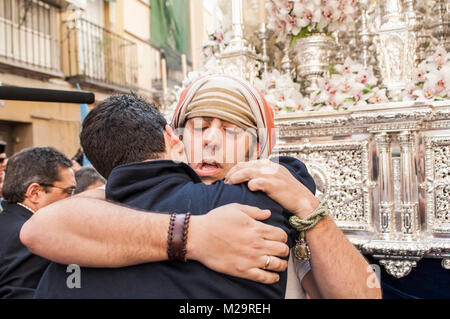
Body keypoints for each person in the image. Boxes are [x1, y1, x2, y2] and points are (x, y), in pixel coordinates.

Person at [21, 75, 380, 298]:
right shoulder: (130, 195)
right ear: (175, 139)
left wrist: (308, 209)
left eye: (231, 130)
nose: (210, 141)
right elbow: (45, 227)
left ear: (258, 149)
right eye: (200, 126)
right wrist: (199, 235)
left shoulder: (286, 206)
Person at [0, 146, 75, 298]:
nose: (72, 200)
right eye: (68, 192)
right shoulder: (30, 237)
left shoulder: (8, 223)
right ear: (35, 193)